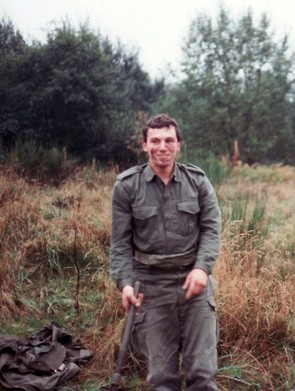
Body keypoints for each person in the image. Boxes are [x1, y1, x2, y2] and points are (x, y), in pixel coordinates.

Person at [110, 113, 221, 390]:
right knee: (161, 378)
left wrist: (201, 268)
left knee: (202, 374)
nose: (163, 147)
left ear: (179, 144)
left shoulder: (197, 181)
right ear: (144, 144)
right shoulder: (126, 186)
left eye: (169, 140)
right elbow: (120, 244)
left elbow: (211, 229)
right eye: (156, 140)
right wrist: (124, 284)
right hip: (150, 286)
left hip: (193, 284)